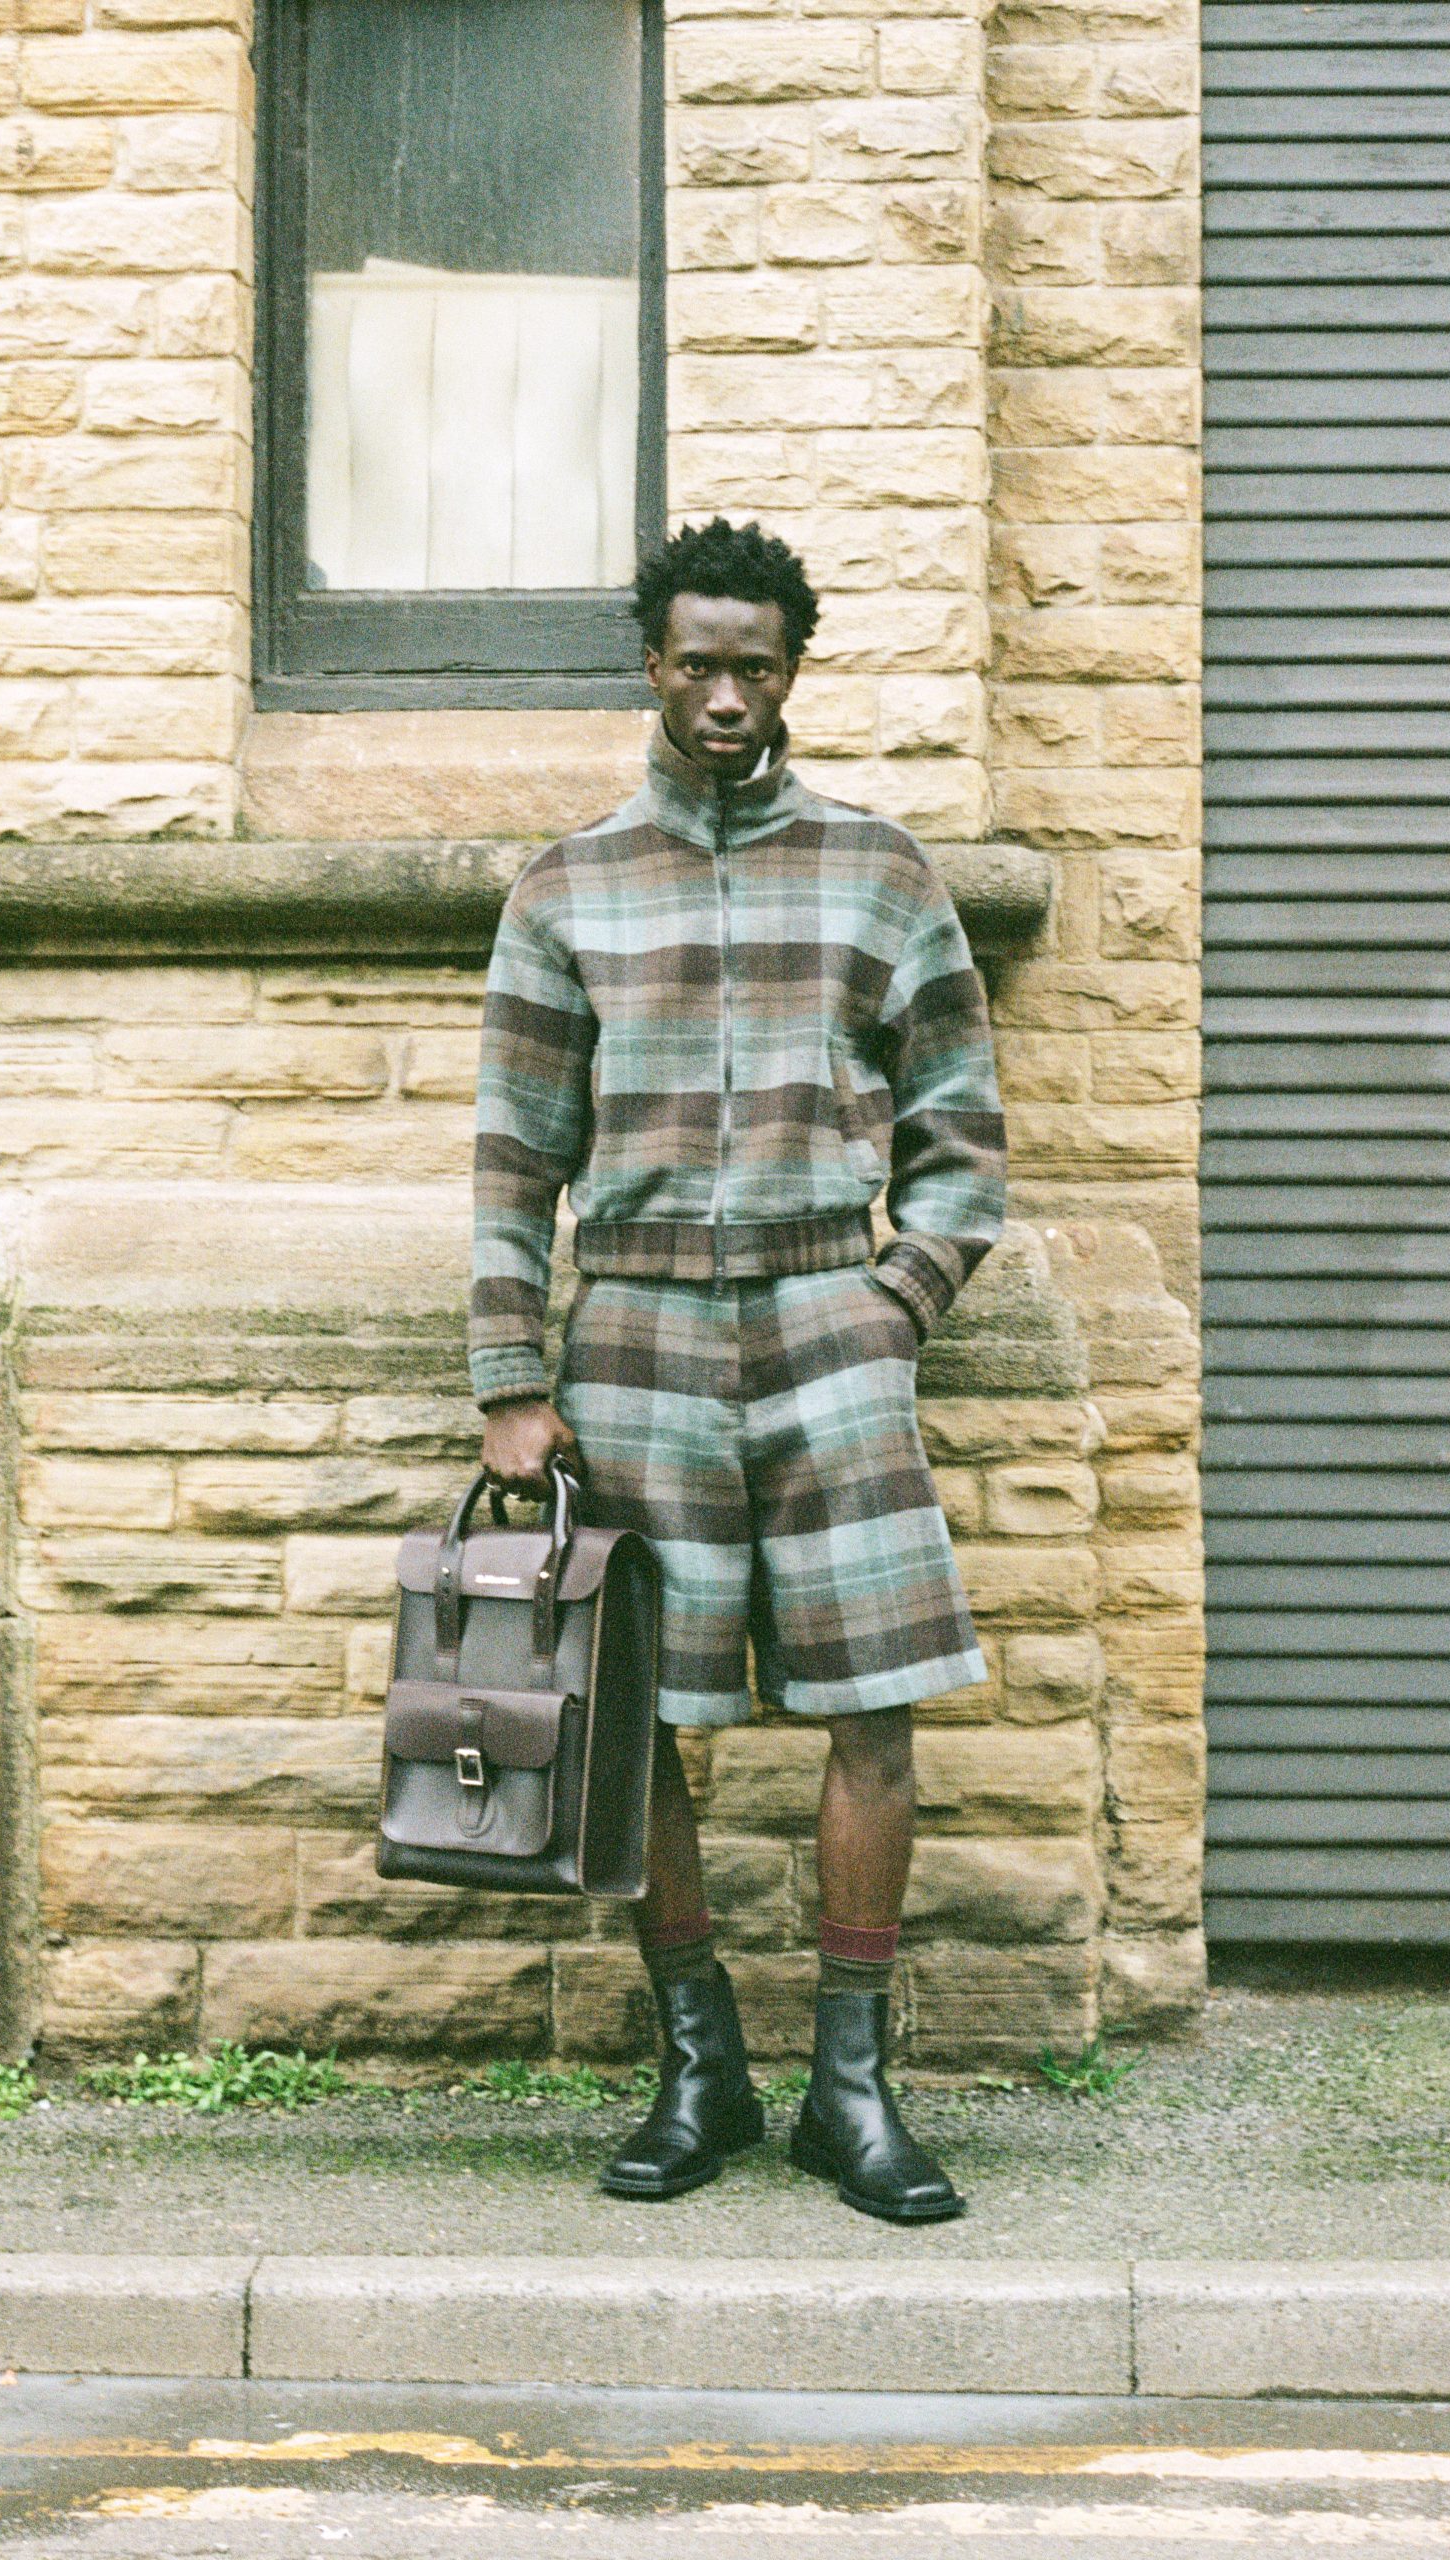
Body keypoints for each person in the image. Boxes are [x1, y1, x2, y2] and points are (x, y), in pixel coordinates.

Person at [470, 519, 1005, 2224]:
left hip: (824, 1327)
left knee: (873, 1708)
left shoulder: (879, 873)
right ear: (652, 662)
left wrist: (893, 1300)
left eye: (752, 668)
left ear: (790, 673)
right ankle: (698, 2066)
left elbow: (962, 1138)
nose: (722, 696)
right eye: (695, 664)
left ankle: (851, 2091)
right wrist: (510, 1377)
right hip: (631, 1334)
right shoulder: (567, 886)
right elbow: (512, 1159)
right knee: (638, 1724)